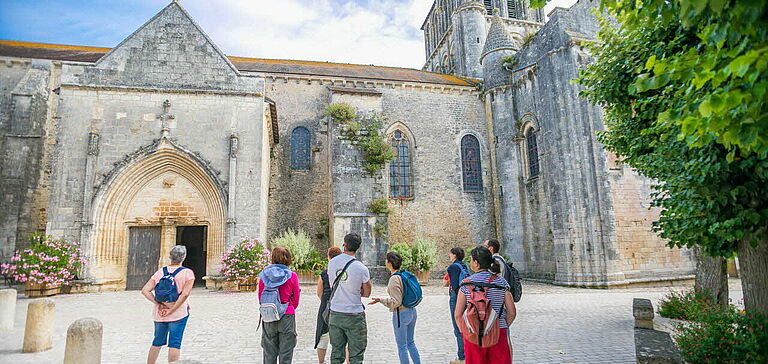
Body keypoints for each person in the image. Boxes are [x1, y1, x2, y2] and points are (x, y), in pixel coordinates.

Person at [454, 246, 516, 364]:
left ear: (476, 263)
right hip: (498, 332)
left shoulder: (466, 284)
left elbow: (458, 314)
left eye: (471, 260)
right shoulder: (501, 283)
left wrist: (465, 331)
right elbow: (512, 312)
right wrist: (501, 325)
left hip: (473, 333)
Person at [141, 245, 195, 364]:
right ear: (184, 257)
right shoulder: (188, 273)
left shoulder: (160, 272)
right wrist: (172, 309)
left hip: (160, 313)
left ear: (170, 257)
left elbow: (145, 290)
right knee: (174, 343)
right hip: (179, 313)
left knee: (157, 342)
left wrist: (158, 303)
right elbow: (185, 294)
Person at [327, 233, 372, 364]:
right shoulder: (361, 268)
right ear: (359, 247)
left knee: (336, 353)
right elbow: (367, 293)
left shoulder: (332, 263)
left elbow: (331, 284)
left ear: (344, 245)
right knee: (356, 356)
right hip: (354, 314)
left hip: (336, 312)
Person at [369, 252, 421, 364]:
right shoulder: (404, 274)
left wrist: (380, 300)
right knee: (411, 343)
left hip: (401, 314)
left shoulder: (394, 279)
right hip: (412, 311)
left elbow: (396, 302)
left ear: (389, 263)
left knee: (402, 346)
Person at [258, 246, 301, 364]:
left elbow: (261, 296)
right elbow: (296, 298)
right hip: (287, 314)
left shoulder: (265, 275)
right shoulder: (292, 276)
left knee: (269, 352)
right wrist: (288, 308)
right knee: (286, 352)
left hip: (269, 314)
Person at [316, 246, 343, 364]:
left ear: (329, 257)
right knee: (343, 336)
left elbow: (319, 292)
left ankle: (321, 361)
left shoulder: (324, 273)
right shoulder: (344, 273)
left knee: (323, 335)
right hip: (341, 305)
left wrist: (326, 301)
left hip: (326, 305)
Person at [443, 247, 470, 364]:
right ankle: (468, 354)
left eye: (450, 254)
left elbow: (454, 286)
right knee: (466, 326)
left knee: (457, 327)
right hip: (467, 297)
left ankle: (462, 357)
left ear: (454, 255)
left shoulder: (453, 267)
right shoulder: (465, 266)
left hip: (457, 298)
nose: (449, 256)